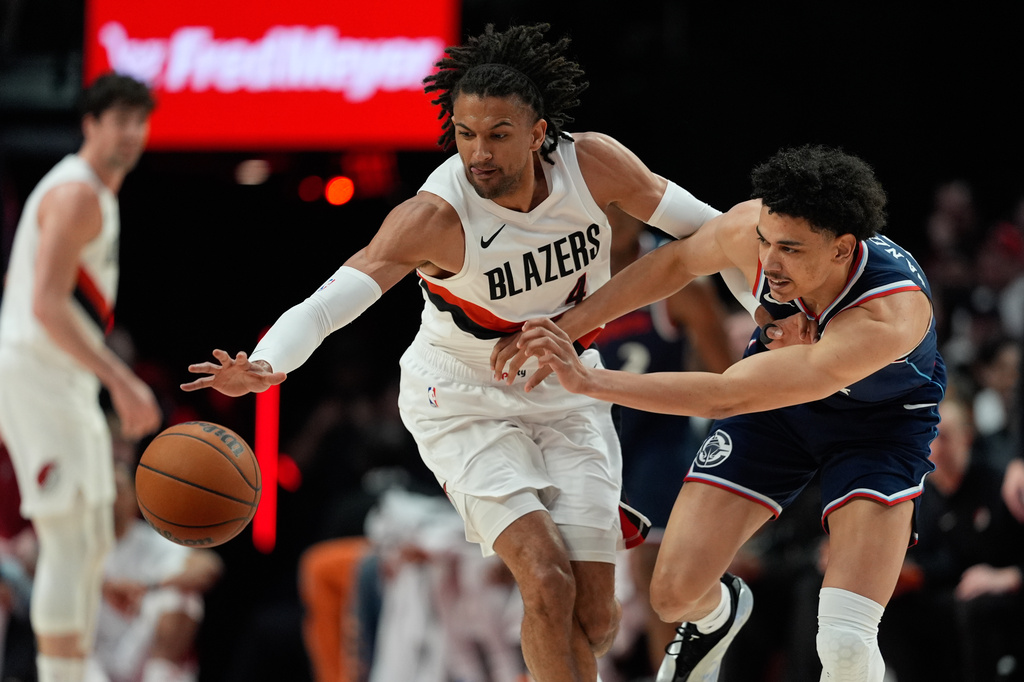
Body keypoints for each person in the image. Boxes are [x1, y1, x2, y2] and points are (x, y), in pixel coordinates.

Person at [181, 23, 754, 682]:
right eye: (465, 133)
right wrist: (269, 362)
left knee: (596, 618)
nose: (478, 152)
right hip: (461, 398)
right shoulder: (435, 217)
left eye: (498, 135)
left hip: (566, 388)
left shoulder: (591, 164)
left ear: (539, 132)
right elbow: (334, 297)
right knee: (545, 578)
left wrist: (764, 307)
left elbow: (715, 232)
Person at [503, 144, 947, 682]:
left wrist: (592, 380)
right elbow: (672, 263)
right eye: (766, 240)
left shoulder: (886, 314)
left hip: (876, 429)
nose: (770, 261)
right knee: (672, 594)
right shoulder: (751, 232)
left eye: (790, 248)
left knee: (846, 642)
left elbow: (726, 395)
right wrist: (567, 328)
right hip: (780, 415)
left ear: (841, 249)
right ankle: (719, 616)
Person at [0, 72, 163, 682]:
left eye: (139, 122)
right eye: (118, 120)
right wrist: (121, 381)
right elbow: (46, 304)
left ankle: (71, 667)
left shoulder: (98, 193)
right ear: (90, 125)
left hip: (61, 377)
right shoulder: (76, 194)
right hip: (36, 374)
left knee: (94, 533)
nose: (131, 134)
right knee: (68, 537)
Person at [598, 206, 737, 678]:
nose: (610, 219)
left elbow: (732, 382)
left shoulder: (679, 280)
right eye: (598, 209)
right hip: (599, 447)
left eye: (620, 208)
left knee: (661, 583)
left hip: (661, 445)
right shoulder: (572, 282)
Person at [879, 395, 1024, 682]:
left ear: (967, 438)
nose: (935, 448)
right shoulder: (919, 498)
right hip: (946, 596)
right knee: (888, 610)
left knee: (973, 610)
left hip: (998, 594)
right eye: (929, 438)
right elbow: (932, 563)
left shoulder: (1002, 485)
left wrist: (1009, 576)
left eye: (944, 437)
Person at [89, 461, 223, 682]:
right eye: (103, 489)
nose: (110, 498)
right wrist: (103, 586)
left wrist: (147, 587)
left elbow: (208, 567)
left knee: (183, 597)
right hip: (95, 658)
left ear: (134, 496)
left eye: (118, 489)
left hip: (142, 651)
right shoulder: (78, 546)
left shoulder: (152, 539)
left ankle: (161, 675)